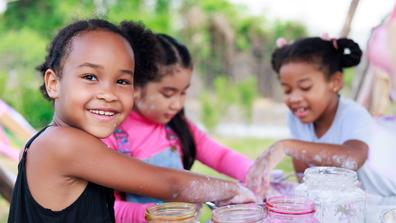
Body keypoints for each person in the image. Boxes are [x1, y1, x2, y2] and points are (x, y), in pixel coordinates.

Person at [7, 19, 258, 223]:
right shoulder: (62, 144)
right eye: (90, 76)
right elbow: (169, 183)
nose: (108, 93)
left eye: (122, 81)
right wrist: (234, 190)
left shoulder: (58, 142)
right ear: (53, 83)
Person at [102, 29, 268, 222]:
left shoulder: (177, 127)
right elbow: (107, 207)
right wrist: (157, 215)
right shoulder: (111, 134)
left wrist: (254, 173)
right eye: (168, 93)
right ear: (135, 87)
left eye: (183, 93)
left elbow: (220, 156)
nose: (177, 104)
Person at [245, 36, 396, 199]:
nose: (294, 98)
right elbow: (304, 175)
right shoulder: (297, 117)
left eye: (305, 87)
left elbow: (353, 158)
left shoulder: (353, 115)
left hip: (387, 200)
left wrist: (286, 146)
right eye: (287, 90)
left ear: (335, 82)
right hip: (352, 203)